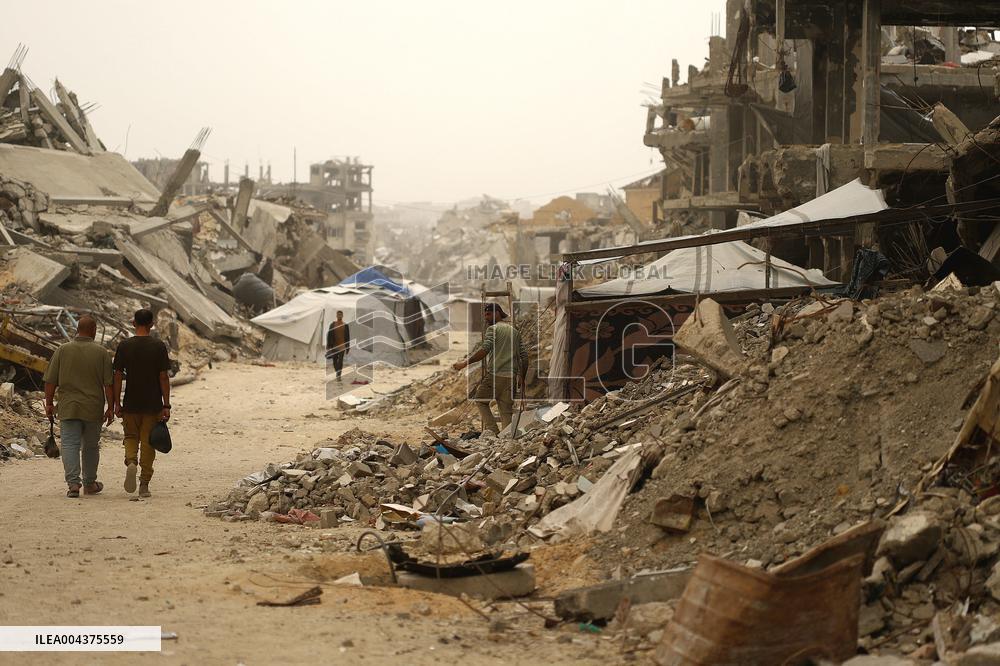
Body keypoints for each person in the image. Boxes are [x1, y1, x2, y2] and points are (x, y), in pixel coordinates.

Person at [43, 315, 114, 498]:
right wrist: (111, 408)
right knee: (90, 446)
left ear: (77, 329)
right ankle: (89, 484)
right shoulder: (102, 353)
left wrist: (49, 403)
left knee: (69, 445)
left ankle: (73, 484)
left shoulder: (62, 350)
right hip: (93, 407)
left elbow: (50, 381)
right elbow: (108, 385)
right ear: (93, 330)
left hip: (68, 407)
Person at [113, 309, 171, 498]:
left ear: (133, 323)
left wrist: (116, 402)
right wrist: (166, 404)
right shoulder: (158, 346)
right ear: (152, 324)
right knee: (148, 443)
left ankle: (131, 461)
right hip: (152, 404)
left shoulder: (124, 346)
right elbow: (163, 377)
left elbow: (117, 375)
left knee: (130, 436)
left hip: (130, 402)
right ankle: (144, 484)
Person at [453, 303, 528, 435]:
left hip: (495, 375)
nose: (486, 318)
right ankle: (506, 440)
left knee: (480, 400)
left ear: (497, 313)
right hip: (511, 378)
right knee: (505, 411)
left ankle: (492, 431)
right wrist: (522, 377)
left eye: (488, 314)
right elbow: (524, 357)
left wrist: (464, 363)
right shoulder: (515, 332)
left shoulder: (493, 329)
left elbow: (485, 349)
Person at [326, 311, 351, 380]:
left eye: (341, 314)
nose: (339, 315)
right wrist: (328, 346)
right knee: (334, 361)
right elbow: (329, 335)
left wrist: (348, 347)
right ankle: (337, 371)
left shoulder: (345, 325)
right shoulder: (332, 324)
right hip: (334, 346)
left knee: (340, 361)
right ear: (336, 316)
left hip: (342, 346)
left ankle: (338, 375)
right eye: (338, 314)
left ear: (342, 316)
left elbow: (348, 337)